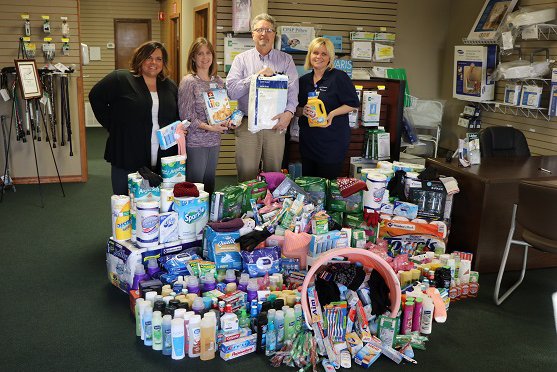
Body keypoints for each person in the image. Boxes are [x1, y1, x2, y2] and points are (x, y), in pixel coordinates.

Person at [89, 41, 179, 195]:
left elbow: (176, 115)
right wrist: (113, 126)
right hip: (128, 153)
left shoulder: (169, 85)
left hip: (161, 154)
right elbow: (96, 97)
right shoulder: (121, 79)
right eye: (149, 58)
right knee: (125, 201)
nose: (154, 63)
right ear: (140, 59)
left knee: (155, 204)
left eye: (159, 59)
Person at [226, 13, 299, 182]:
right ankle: (247, 207)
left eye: (268, 30)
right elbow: (232, 91)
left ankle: (270, 208)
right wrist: (254, 78)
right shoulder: (241, 60)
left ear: (274, 34)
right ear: (252, 34)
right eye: (259, 30)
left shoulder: (286, 60)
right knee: (246, 174)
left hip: (276, 124)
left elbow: (293, 92)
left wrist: (288, 113)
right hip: (247, 124)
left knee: (274, 174)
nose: (263, 34)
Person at [296, 37, 359, 179]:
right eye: (315, 53)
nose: (319, 57)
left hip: (332, 143)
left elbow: (353, 103)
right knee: (309, 184)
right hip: (308, 142)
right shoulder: (303, 81)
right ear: (310, 55)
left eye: (324, 54)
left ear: (330, 57)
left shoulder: (339, 77)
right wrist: (302, 110)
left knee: (326, 185)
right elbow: (297, 109)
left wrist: (332, 114)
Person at [178, 37, 229, 195]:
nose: (205, 57)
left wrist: (227, 122)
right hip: (196, 142)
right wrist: (209, 127)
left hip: (214, 141)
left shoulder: (219, 81)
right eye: (200, 54)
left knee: (209, 183)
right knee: (195, 186)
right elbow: (187, 117)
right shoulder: (189, 82)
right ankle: (194, 218)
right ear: (193, 57)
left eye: (208, 53)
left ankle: (207, 219)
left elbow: (223, 111)